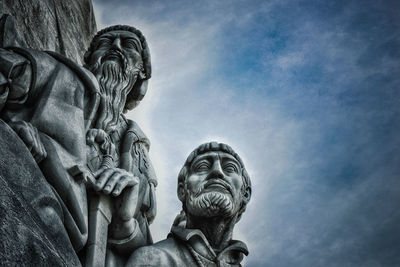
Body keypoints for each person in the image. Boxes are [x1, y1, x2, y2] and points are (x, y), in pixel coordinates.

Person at [0, 25, 157, 266]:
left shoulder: (138, 153)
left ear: (141, 76)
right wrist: (15, 127)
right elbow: (9, 70)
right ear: (90, 60)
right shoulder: (59, 74)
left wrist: (125, 221)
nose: (115, 48)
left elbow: (144, 249)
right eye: (106, 43)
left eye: (128, 45)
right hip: (39, 214)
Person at [127, 142, 252, 267]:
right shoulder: (153, 259)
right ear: (182, 190)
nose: (217, 171)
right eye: (202, 166)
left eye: (230, 168)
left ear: (245, 194)